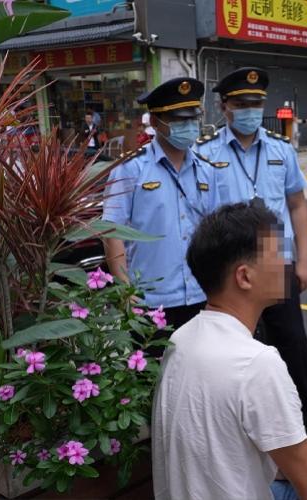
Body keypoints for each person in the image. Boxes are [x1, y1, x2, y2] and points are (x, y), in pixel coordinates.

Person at [152, 201, 307, 500]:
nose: (288, 263)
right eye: (278, 255)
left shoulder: (180, 339)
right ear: (244, 277)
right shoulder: (256, 364)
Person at [195, 67, 307, 446]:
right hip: (231, 269)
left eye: (256, 104)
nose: (251, 110)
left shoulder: (280, 149)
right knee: (239, 350)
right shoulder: (205, 154)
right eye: (242, 104)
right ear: (224, 107)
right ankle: (244, 426)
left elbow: (298, 206)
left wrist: (303, 260)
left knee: (292, 343)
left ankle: (306, 417)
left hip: (277, 262)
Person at [103, 77, 221, 355]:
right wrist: (126, 294)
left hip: (202, 297)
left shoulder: (207, 170)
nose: (188, 126)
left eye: (193, 118)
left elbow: (217, 233)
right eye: (178, 119)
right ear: (155, 122)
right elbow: (111, 232)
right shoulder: (131, 169)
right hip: (150, 303)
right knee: (151, 386)